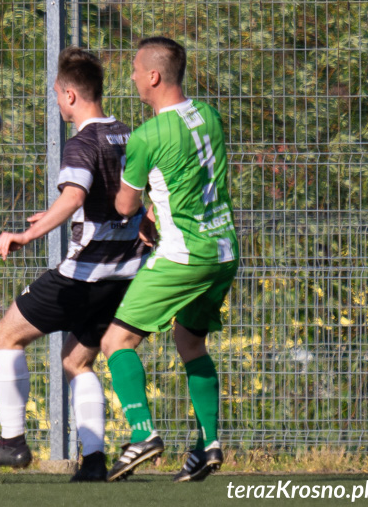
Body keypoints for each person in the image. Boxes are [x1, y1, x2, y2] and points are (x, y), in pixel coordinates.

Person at [0, 47, 151, 481]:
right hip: (126, 274)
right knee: (75, 362)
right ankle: (94, 461)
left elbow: (76, 196)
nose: (57, 102)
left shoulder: (81, 143)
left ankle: (13, 443)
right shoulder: (129, 134)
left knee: (6, 334)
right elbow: (129, 194)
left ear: (69, 94)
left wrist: (25, 234)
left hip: (82, 276)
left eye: (56, 94)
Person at [101, 36, 239, 483]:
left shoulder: (146, 136)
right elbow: (192, 178)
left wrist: (141, 208)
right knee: (190, 342)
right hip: (224, 251)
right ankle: (209, 444)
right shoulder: (209, 115)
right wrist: (157, 206)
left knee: (115, 342)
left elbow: (124, 206)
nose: (134, 77)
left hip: (184, 256)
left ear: (155, 76)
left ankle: (143, 435)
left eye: (137, 70)